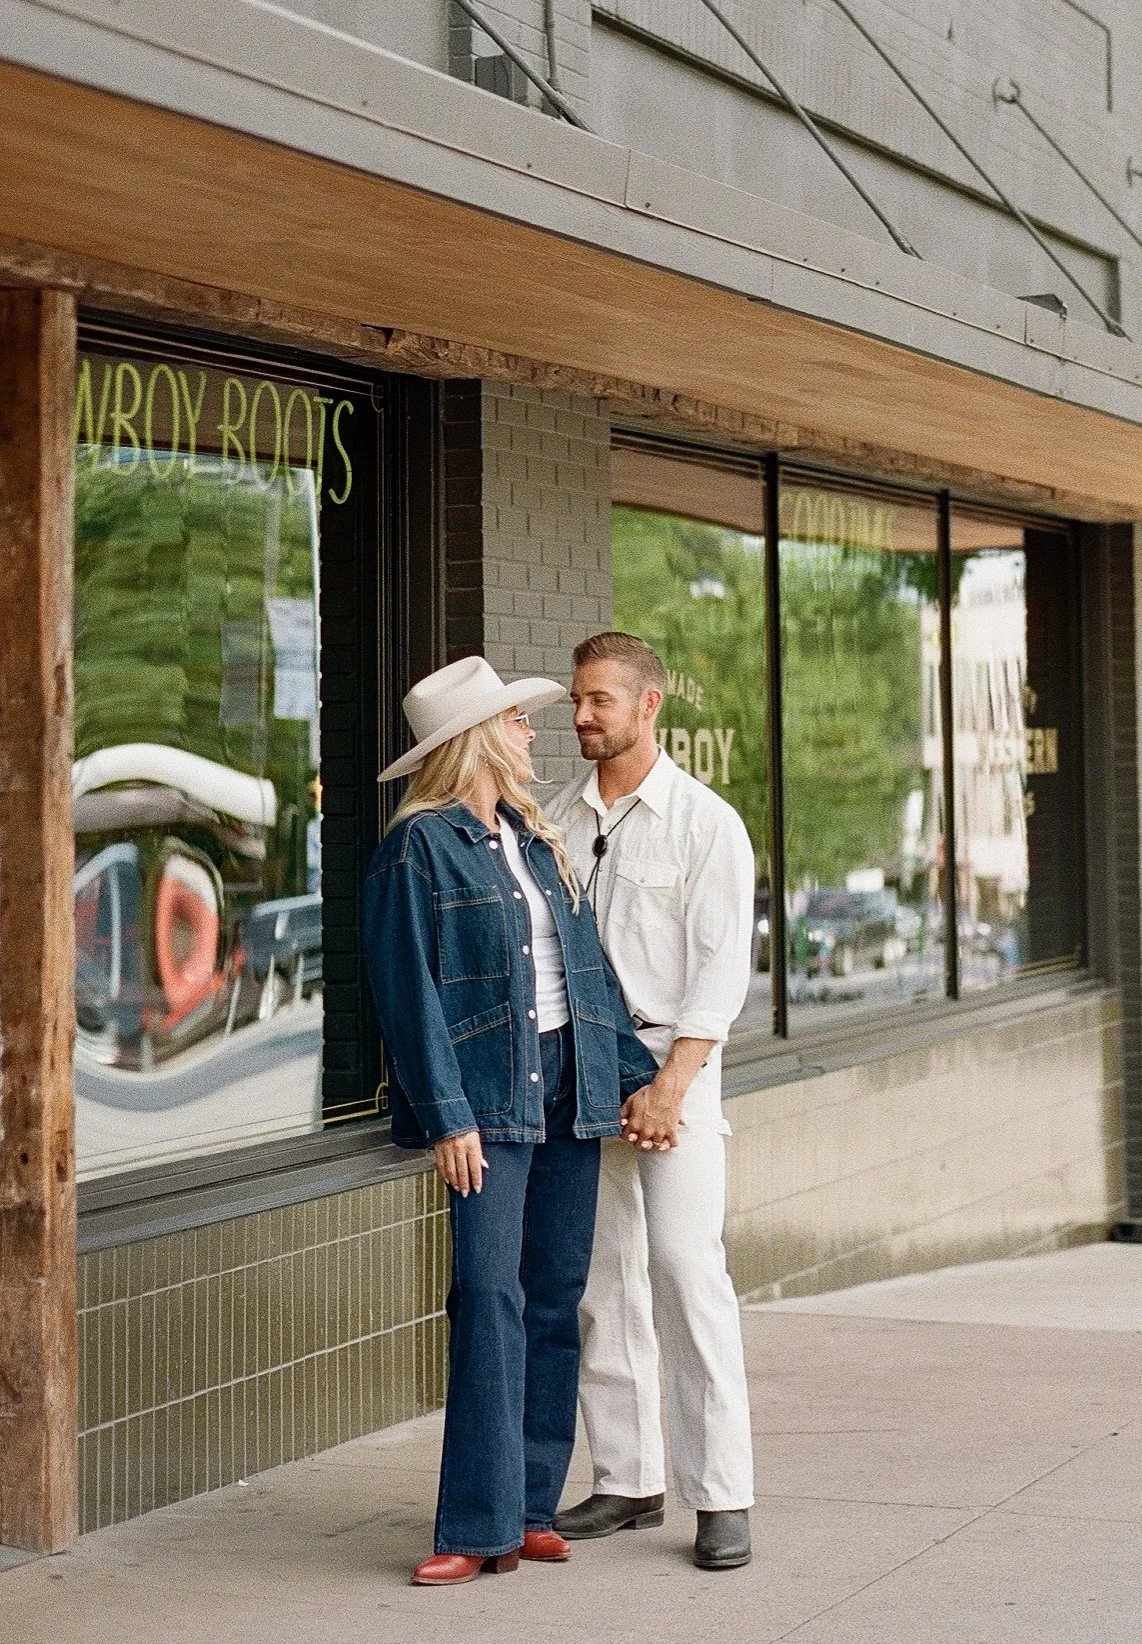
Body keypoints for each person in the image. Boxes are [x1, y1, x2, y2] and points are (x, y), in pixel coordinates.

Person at [361, 654, 661, 1589]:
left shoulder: (533, 842)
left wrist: (635, 1082)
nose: (535, 732)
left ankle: (531, 1508)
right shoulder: (420, 846)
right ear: (478, 740)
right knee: (487, 1300)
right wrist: (447, 1115)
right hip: (487, 1104)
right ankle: (474, 1523)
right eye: (519, 722)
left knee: (551, 1299)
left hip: (567, 1094)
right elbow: (406, 993)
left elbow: (589, 974)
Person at [555, 630, 759, 1573]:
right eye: (577, 699)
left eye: (600, 699)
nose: (583, 715)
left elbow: (721, 970)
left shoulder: (704, 822)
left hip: (674, 1064)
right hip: (584, 1069)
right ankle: (628, 1479)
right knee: (603, 1280)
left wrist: (671, 1084)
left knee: (685, 1270)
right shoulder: (554, 818)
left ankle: (721, 1497)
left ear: (649, 705)